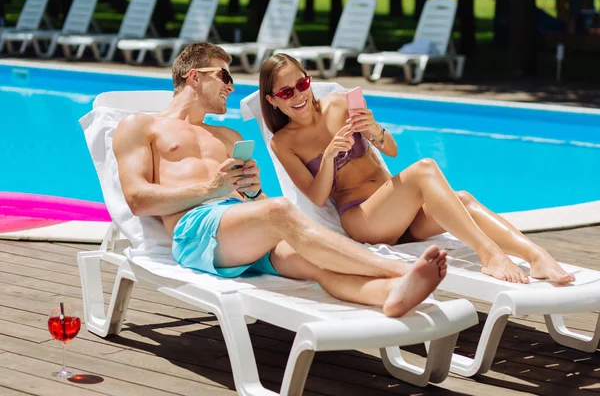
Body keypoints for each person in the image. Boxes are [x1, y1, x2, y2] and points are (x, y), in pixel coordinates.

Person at [112, 42, 448, 318]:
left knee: (315, 264)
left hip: (240, 232)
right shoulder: (142, 126)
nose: (230, 85)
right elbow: (137, 199)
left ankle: (389, 295)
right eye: (224, 75)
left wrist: (253, 191)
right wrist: (210, 189)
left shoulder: (227, 136)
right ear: (195, 77)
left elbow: (255, 206)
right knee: (281, 211)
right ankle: (396, 272)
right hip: (194, 231)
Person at [261, 53, 575, 285]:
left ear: (308, 80)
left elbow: (392, 150)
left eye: (301, 83)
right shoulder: (284, 142)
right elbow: (315, 198)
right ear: (273, 100)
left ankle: (535, 256)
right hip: (364, 220)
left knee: (462, 199)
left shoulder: (340, 102)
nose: (298, 95)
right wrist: (328, 157)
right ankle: (490, 254)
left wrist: (373, 130)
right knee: (425, 168)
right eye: (286, 93)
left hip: (402, 217)